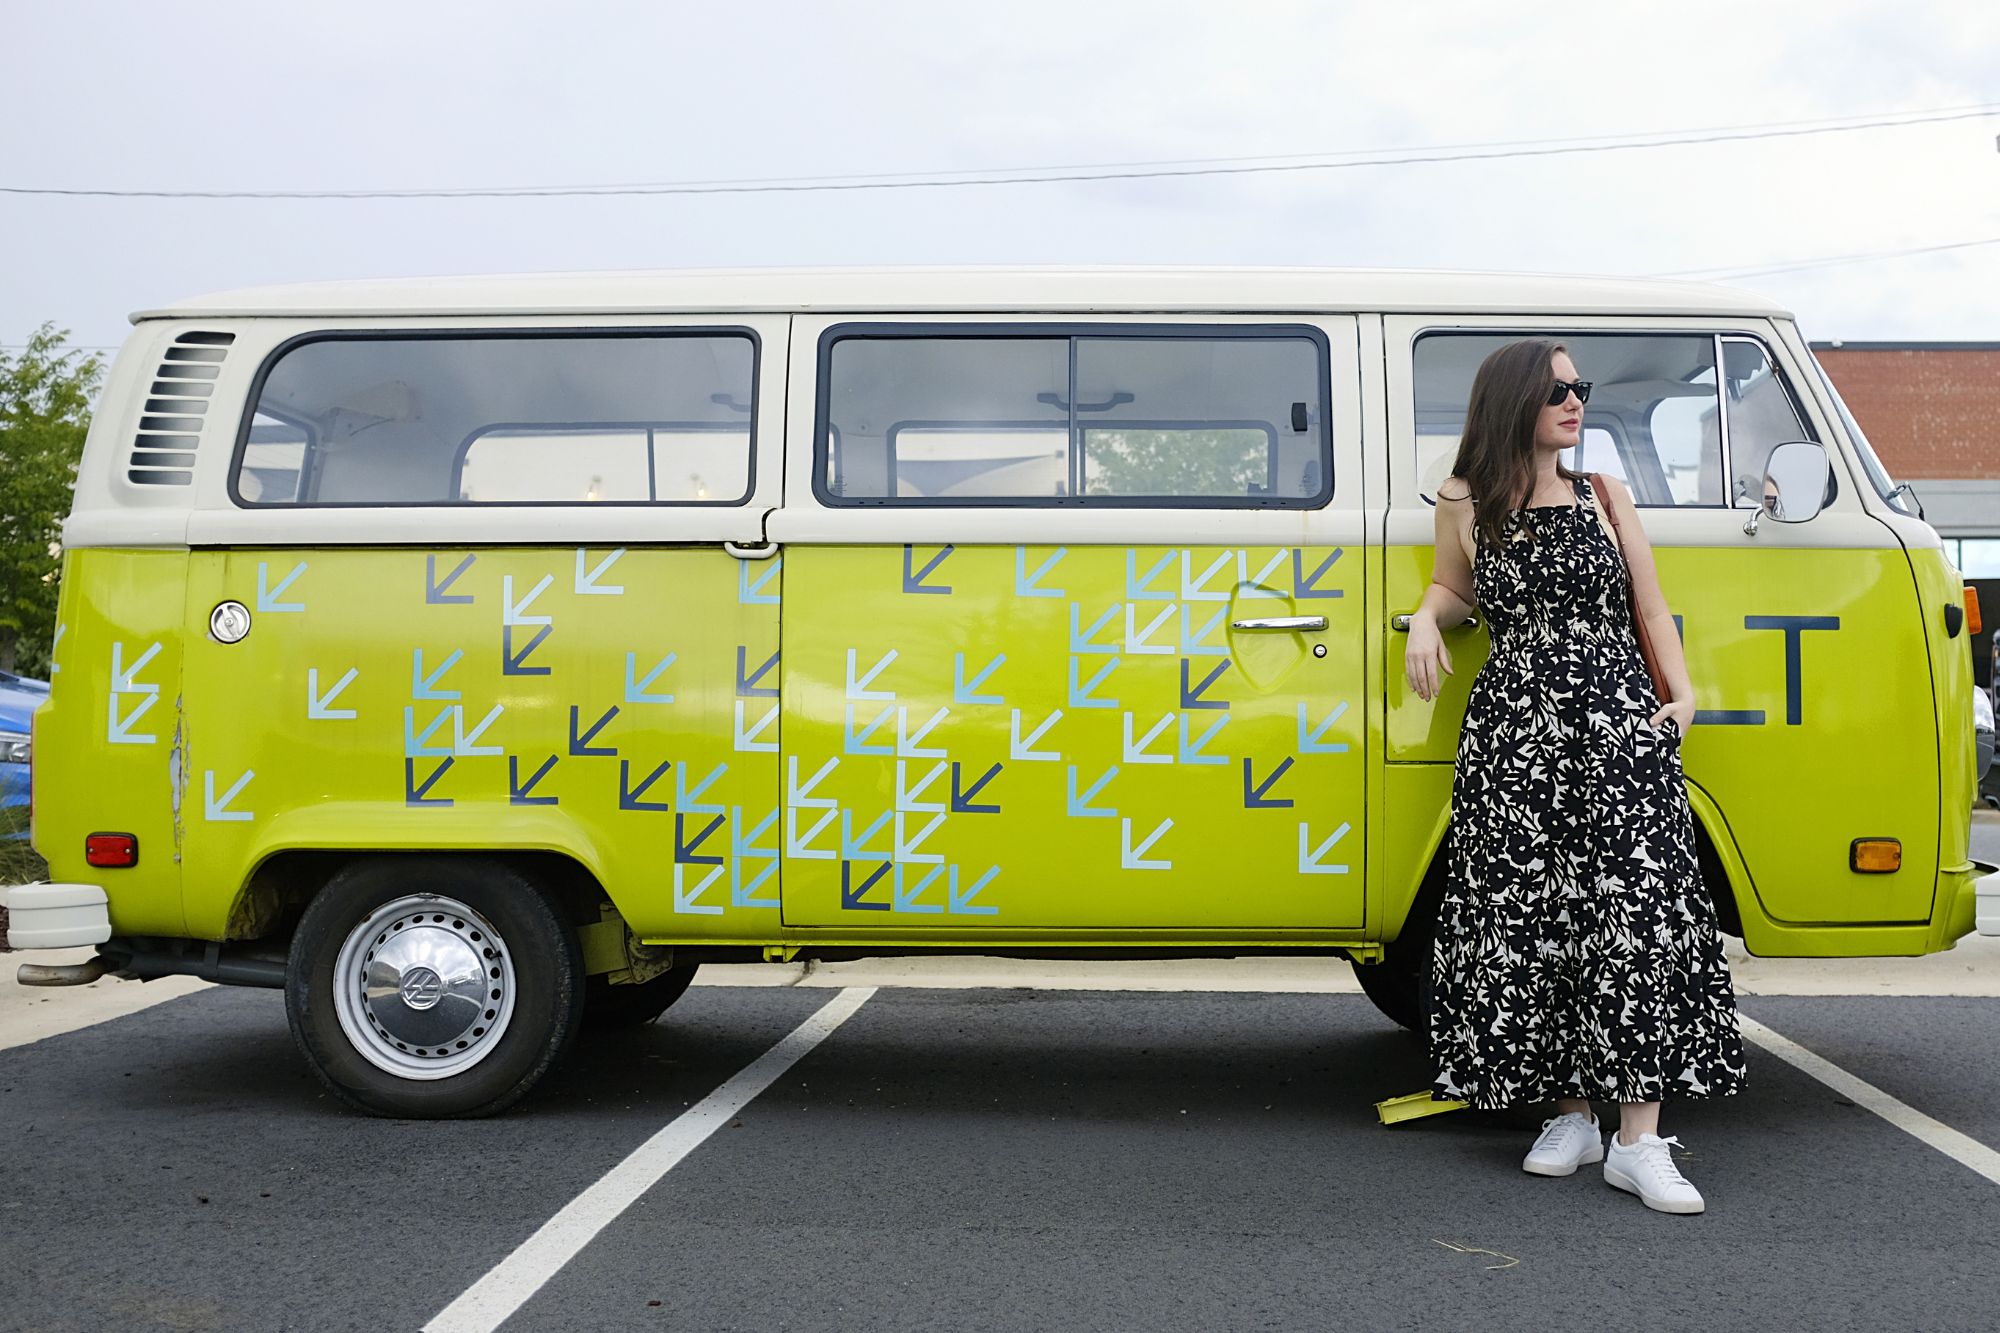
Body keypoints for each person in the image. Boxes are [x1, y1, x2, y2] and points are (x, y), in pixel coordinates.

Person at [1403, 337, 1747, 1215]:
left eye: (1578, 386)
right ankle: (1571, 1115)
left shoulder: (1605, 494)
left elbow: (1651, 601)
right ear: (1516, 399)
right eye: (1559, 387)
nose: (1575, 399)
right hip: (1515, 731)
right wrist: (1423, 622)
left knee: (1633, 911)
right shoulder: (1466, 500)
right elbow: (1455, 589)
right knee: (1532, 916)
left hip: (1614, 722)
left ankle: (1640, 1137)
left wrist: (1682, 692)